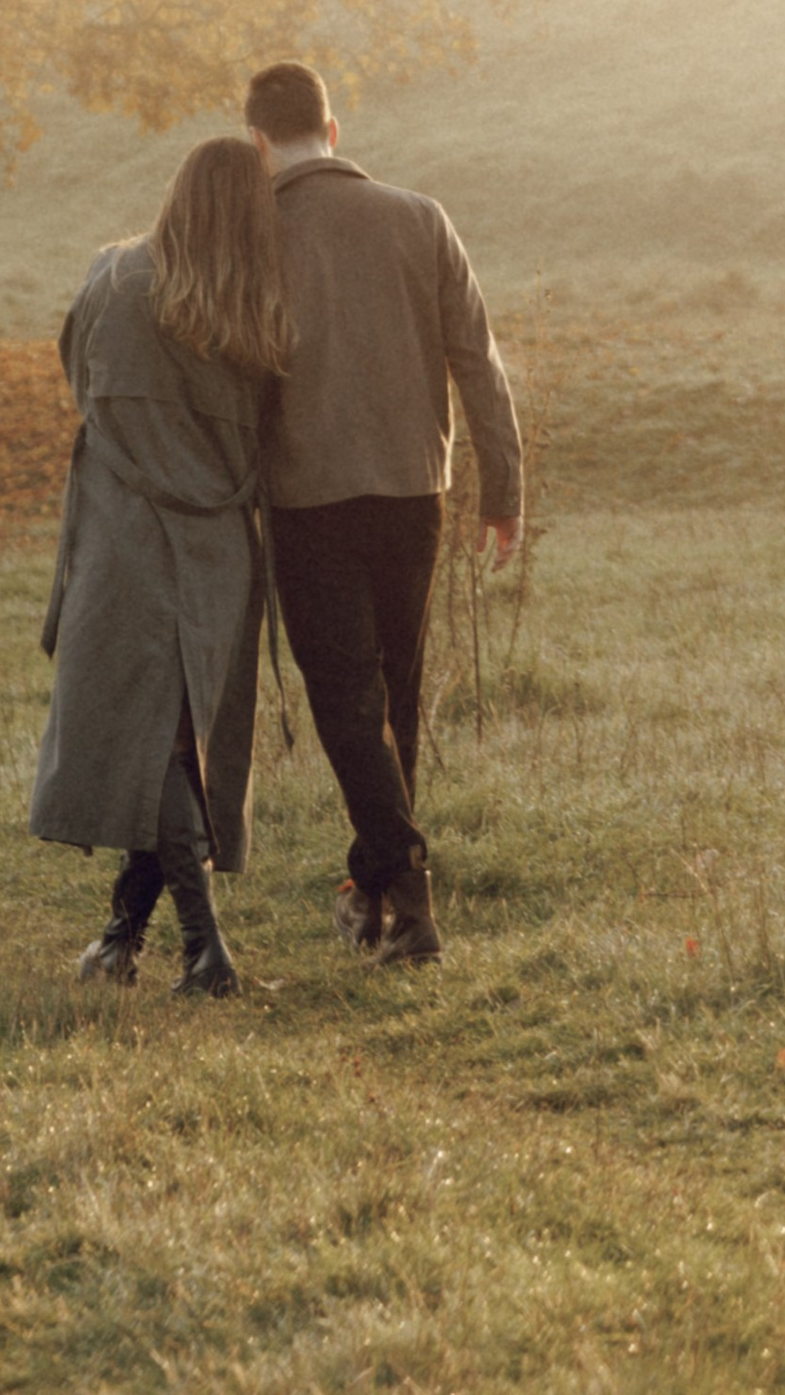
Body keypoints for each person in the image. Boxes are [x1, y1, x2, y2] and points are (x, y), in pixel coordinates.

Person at [245, 57, 523, 967]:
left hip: (307, 493)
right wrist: (504, 490)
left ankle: (407, 888)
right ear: (334, 132)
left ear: (258, 143)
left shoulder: (250, 236)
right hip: (416, 489)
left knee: (347, 706)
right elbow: (477, 360)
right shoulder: (419, 217)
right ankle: (375, 897)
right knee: (392, 695)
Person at [29, 134, 288, 996]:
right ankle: (122, 939)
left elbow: (78, 377)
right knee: (174, 741)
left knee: (161, 745)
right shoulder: (257, 310)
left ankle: (201, 950)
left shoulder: (114, 279)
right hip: (216, 547)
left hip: (126, 538)